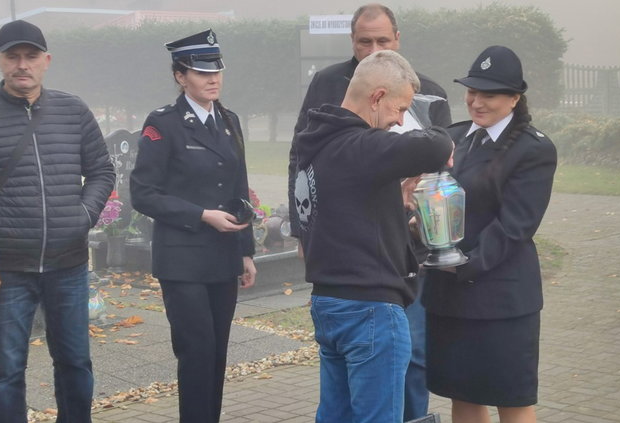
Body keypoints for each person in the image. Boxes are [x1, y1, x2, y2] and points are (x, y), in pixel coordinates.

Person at [287, 3, 451, 420]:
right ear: (377, 97)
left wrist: (394, 199)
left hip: (329, 301)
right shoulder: (361, 147)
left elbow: (347, 204)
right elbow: (437, 146)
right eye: (399, 110)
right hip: (372, 309)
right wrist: (429, 122)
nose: (399, 122)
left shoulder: (318, 141)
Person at [422, 45, 558, 423]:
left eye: (489, 94)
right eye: (471, 91)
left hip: (500, 297)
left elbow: (516, 225)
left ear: (515, 98)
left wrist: (462, 265)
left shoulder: (534, 149)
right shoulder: (453, 137)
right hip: (449, 295)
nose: (476, 102)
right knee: (462, 395)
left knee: (511, 400)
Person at [129, 29, 256, 423]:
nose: (212, 78)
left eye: (216, 70)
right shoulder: (163, 124)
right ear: (180, 76)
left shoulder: (230, 120)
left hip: (223, 254)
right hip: (182, 258)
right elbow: (142, 193)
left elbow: (239, 187)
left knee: (217, 352)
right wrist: (201, 215)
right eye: (201, 72)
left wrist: (247, 251)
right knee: (196, 350)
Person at [0, 19, 115, 423]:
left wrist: (81, 216)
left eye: (30, 56)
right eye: (13, 56)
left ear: (47, 61)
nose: (22, 64)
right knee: (5, 371)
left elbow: (101, 170)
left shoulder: (72, 110)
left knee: (76, 363)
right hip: (8, 269)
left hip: (69, 264)